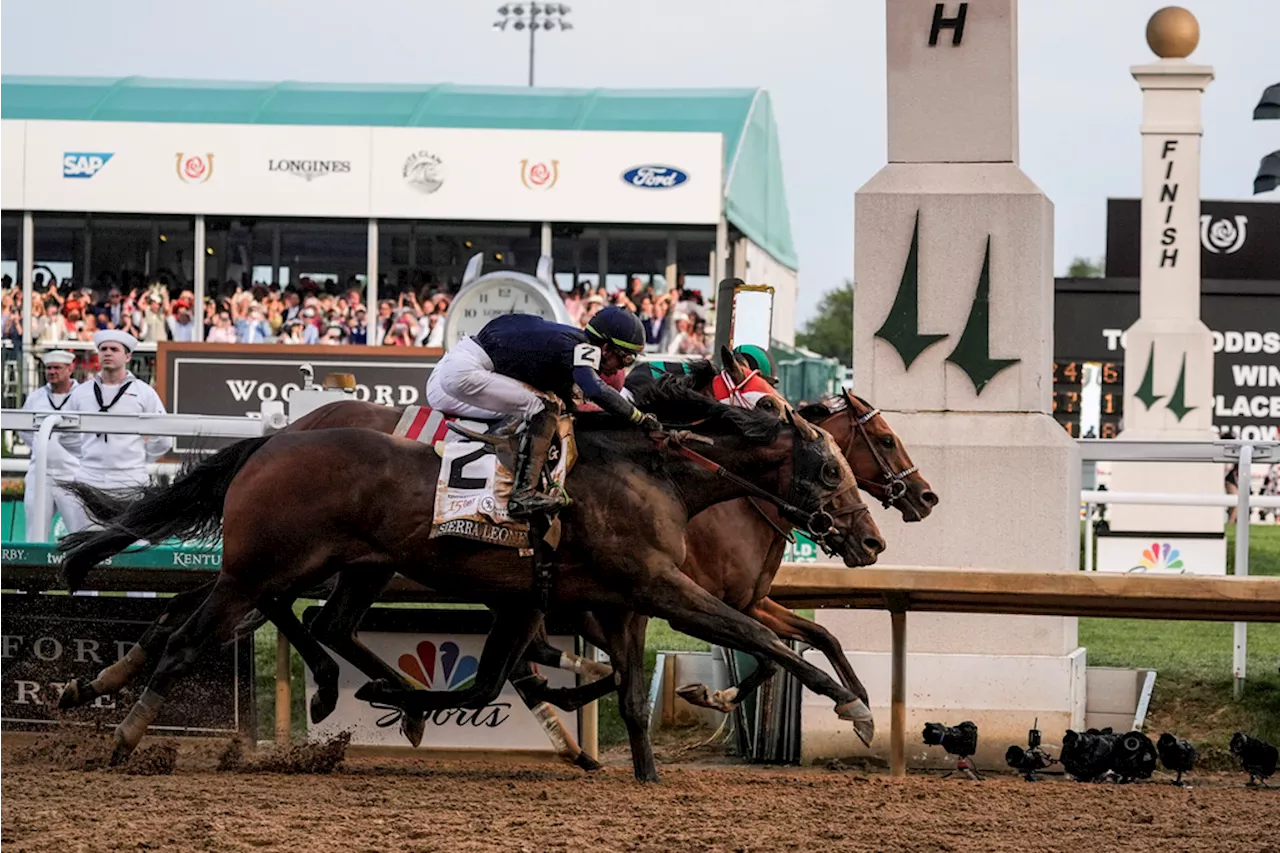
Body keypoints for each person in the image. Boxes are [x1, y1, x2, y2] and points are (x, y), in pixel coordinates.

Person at [425, 307, 659, 518]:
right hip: (464, 372)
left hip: (453, 369)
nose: (622, 367)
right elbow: (594, 389)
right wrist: (637, 417)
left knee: (542, 407)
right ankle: (523, 494)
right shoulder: (582, 347)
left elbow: (573, 404)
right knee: (542, 408)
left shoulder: (568, 343)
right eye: (626, 358)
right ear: (606, 348)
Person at [59, 330, 173, 531]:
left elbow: (163, 438)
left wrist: (137, 458)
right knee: (85, 543)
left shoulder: (143, 392)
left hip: (130, 481)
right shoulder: (81, 392)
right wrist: (88, 454)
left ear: (127, 357)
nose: (107, 353)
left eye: (114, 349)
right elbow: (66, 434)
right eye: (103, 349)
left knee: (131, 544)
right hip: (89, 479)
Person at [18, 350, 89, 540]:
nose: (52, 372)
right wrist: (42, 448)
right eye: (49, 368)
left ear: (70, 369)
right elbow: (23, 429)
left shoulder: (83, 395)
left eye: (57, 368)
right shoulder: (36, 397)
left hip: (74, 472)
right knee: (34, 533)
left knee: (80, 531)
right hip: (40, 473)